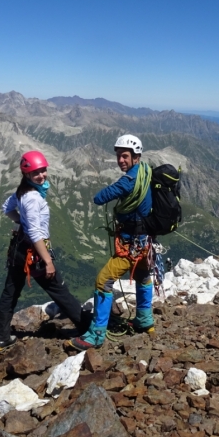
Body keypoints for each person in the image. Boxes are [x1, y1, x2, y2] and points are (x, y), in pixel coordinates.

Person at [0, 150, 87, 353]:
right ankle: (87, 328)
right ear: (27, 175)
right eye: (36, 173)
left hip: (19, 249)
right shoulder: (33, 198)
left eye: (43, 170)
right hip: (34, 253)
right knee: (59, 290)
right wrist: (48, 261)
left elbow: (6, 207)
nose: (42, 175)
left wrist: (21, 222)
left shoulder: (22, 191)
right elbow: (36, 233)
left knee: (10, 293)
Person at [67, 134, 154, 351]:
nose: (121, 160)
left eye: (125, 156)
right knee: (143, 275)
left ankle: (95, 335)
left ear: (136, 157)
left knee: (103, 281)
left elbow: (99, 198)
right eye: (118, 156)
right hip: (146, 242)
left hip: (131, 245)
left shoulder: (128, 181)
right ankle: (144, 318)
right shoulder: (146, 172)